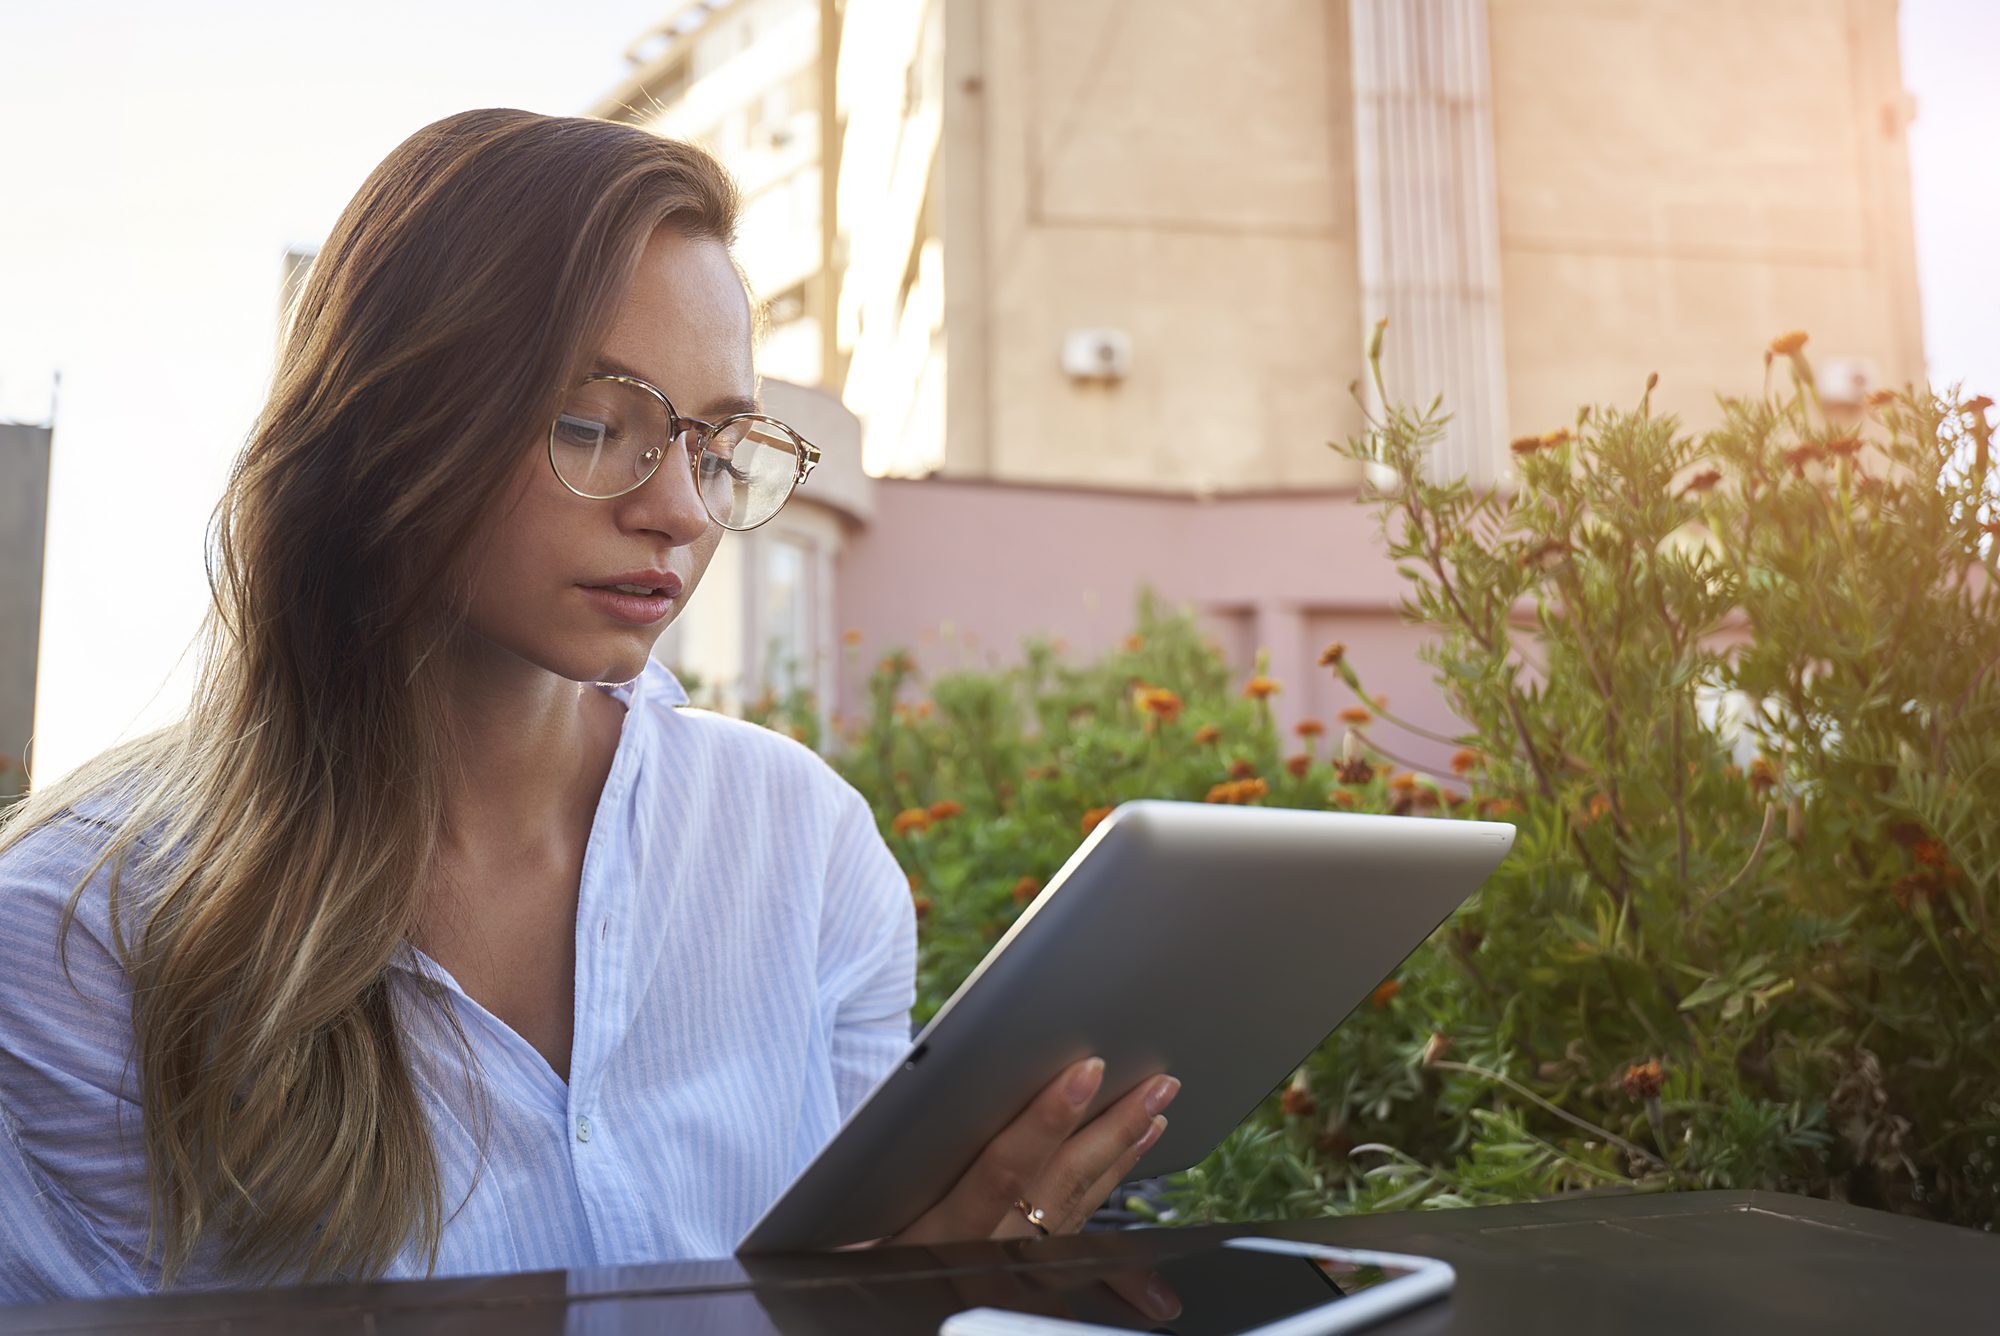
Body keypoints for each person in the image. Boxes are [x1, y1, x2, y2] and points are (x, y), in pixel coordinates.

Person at [0, 108, 1179, 1302]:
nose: (680, 508)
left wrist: (911, 1291)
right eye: (591, 423)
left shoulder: (800, 844)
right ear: (388, 418)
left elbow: (846, 1289)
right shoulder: (86, 926)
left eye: (717, 445)